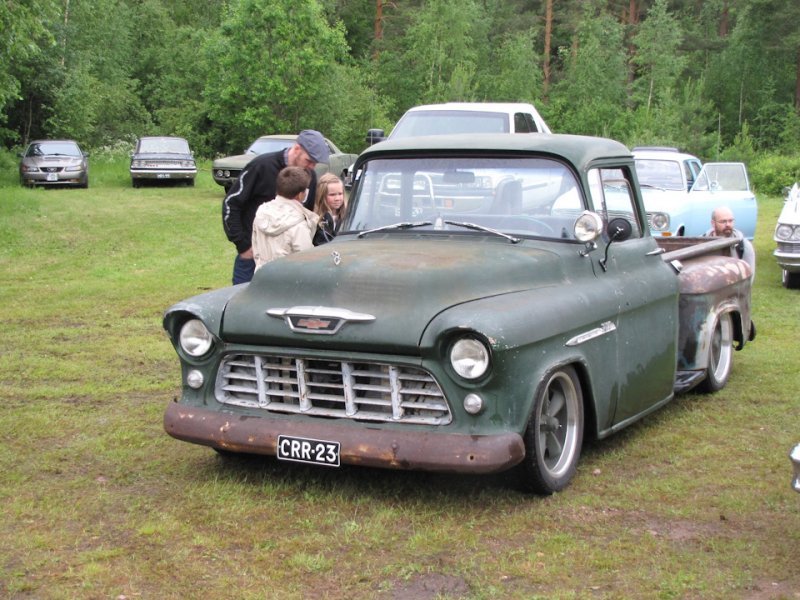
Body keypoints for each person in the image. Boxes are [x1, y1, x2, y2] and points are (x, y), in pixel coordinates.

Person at [222, 129, 330, 284]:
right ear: (297, 149)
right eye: (309, 160)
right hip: (254, 258)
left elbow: (307, 215)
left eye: (315, 163)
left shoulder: (310, 177)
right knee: (243, 305)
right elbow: (231, 204)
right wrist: (243, 246)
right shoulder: (261, 166)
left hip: (289, 264)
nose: (312, 166)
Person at [251, 167, 320, 271]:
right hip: (289, 279)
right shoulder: (299, 222)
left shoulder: (262, 213)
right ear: (301, 195)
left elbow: (256, 250)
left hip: (262, 275)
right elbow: (306, 259)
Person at [704, 206, 756, 275]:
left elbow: (749, 275)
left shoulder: (743, 246)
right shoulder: (701, 244)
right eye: (723, 221)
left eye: (730, 221)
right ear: (713, 223)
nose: (728, 224)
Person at [312, 172, 347, 245]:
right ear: (322, 196)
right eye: (332, 195)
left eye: (340, 194)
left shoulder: (348, 218)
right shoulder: (315, 219)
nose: (337, 198)